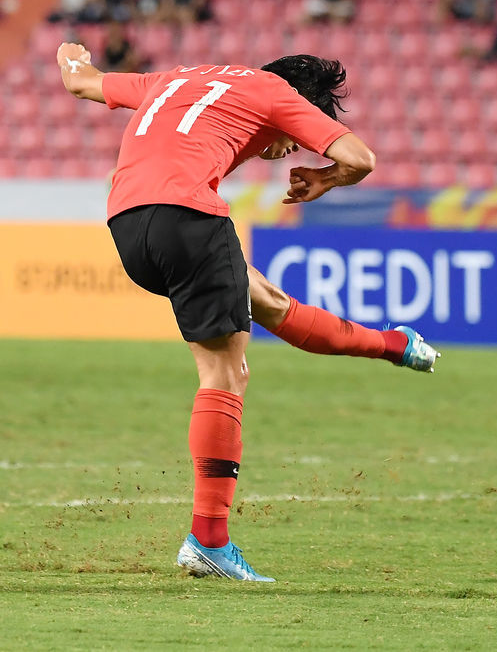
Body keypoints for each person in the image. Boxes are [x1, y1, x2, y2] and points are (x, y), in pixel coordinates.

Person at [55, 44, 440, 582]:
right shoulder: (275, 91)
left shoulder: (177, 77)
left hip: (128, 224)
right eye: (298, 133)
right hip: (188, 214)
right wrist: (326, 178)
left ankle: (394, 345)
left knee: (269, 303)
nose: (293, 147)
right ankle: (209, 540)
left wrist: (70, 52)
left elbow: (82, 82)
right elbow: (361, 159)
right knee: (226, 375)